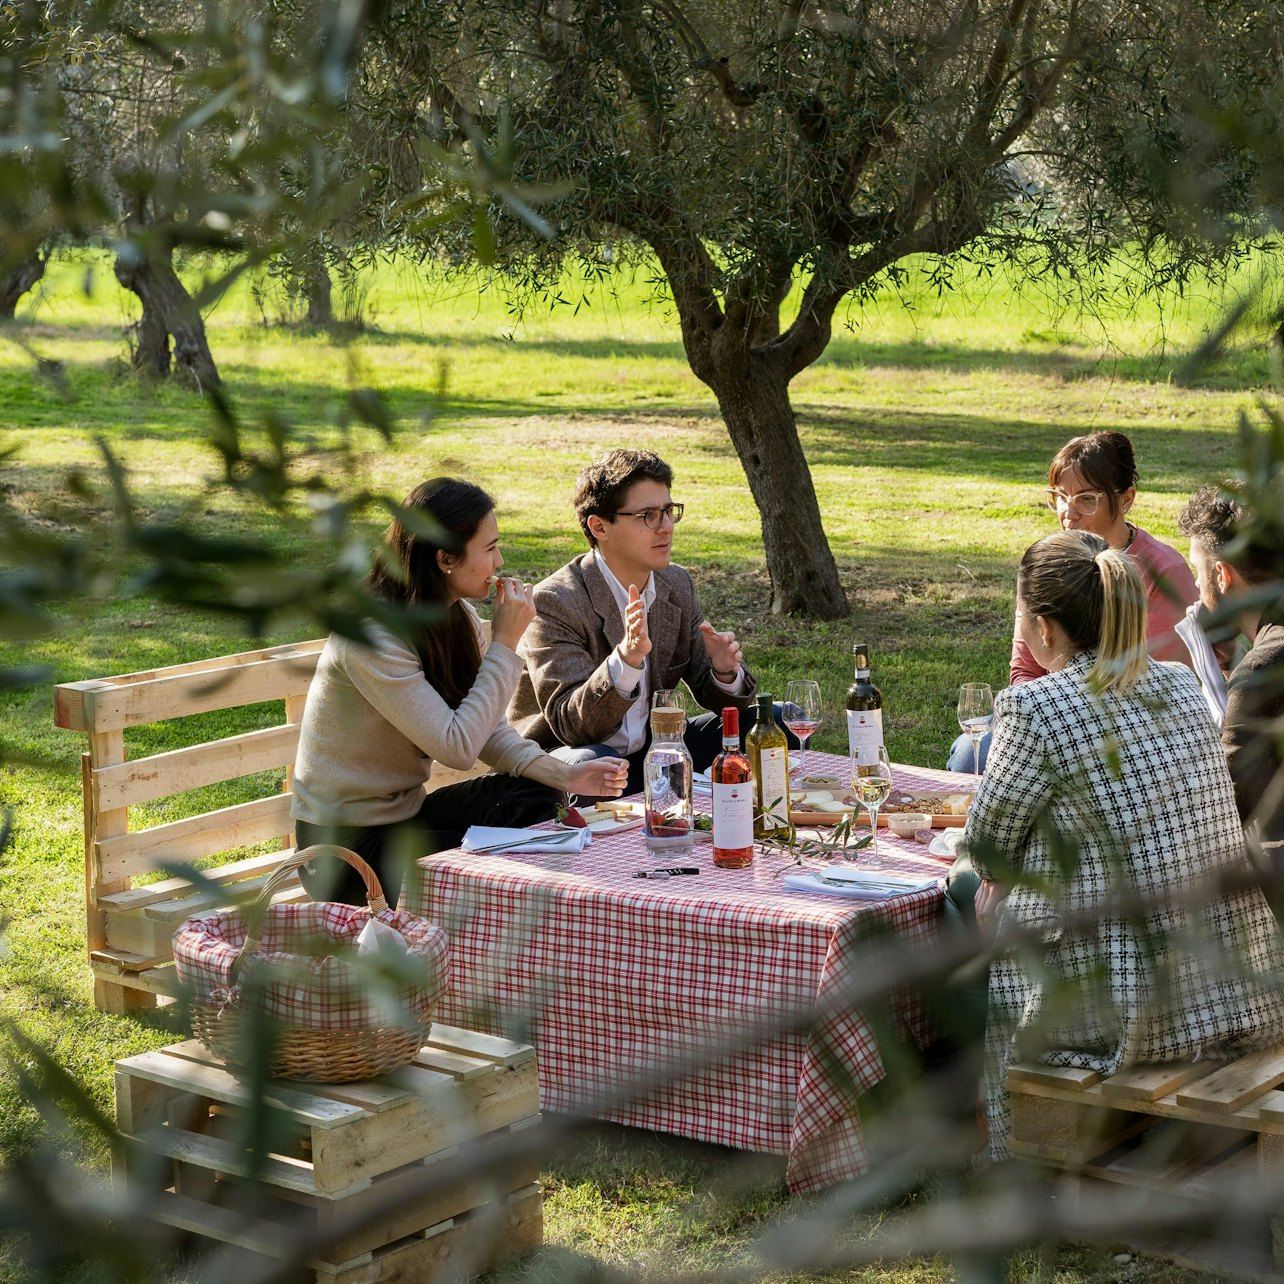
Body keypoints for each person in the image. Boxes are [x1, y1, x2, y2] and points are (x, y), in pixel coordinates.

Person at [948, 529, 1284, 1160]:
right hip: (1219, 986)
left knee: (963, 889)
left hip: (1113, 1007)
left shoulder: (1037, 707)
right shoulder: (1181, 686)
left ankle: (978, 1112)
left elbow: (987, 841)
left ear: (1044, 629)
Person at [291, 478, 628, 905]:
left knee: (533, 794)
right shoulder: (373, 638)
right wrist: (505, 644)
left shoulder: (456, 617)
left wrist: (562, 774)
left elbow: (485, 728)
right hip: (342, 851)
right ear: (446, 558)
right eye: (489, 549)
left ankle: (554, 921)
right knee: (495, 861)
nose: (499, 560)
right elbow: (457, 747)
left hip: (405, 818)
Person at [947, 430, 1215, 772]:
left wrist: (1062, 721)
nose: (1068, 514)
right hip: (1049, 715)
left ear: (1126, 499)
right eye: (1060, 497)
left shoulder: (1165, 571)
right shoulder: (1046, 562)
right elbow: (1025, 670)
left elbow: (1155, 689)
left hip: (1129, 735)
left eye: (1086, 499)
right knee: (972, 750)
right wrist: (1038, 719)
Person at [508, 449, 766, 793]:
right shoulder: (555, 601)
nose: (667, 527)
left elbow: (721, 703)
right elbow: (574, 727)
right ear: (600, 526)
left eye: (669, 512)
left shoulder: (675, 584)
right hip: (569, 763)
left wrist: (724, 672)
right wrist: (626, 660)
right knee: (598, 764)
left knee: (772, 721)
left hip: (653, 751)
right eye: (648, 515)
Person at [1179, 484, 1284, 860]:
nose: (1195, 583)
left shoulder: (1262, 669)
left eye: (1197, 569)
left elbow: (1222, 814)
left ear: (1222, 574)